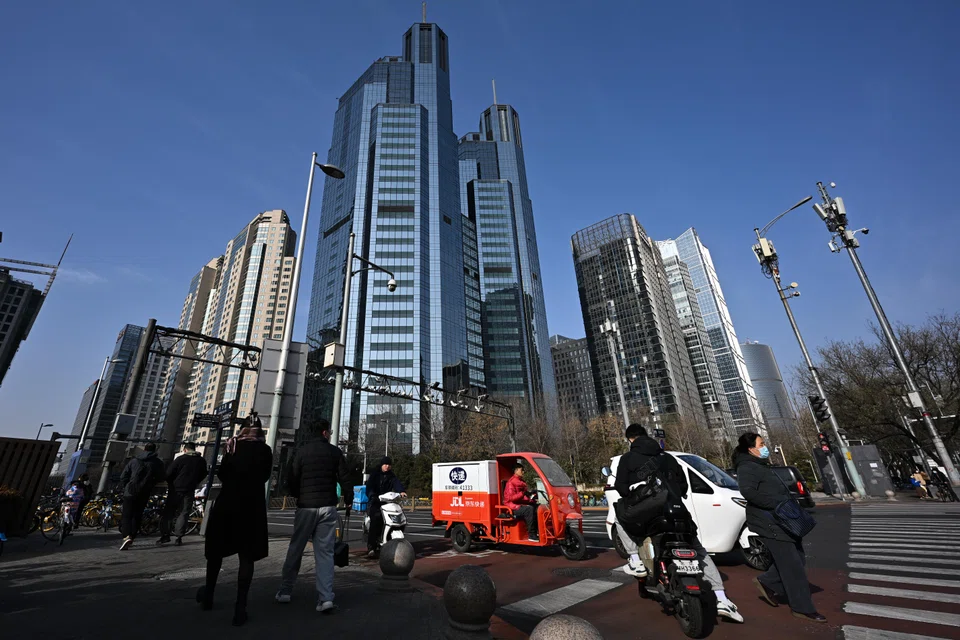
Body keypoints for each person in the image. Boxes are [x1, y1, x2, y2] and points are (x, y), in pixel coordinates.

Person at [615, 424, 743, 623]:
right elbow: (683, 486)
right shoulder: (668, 458)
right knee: (699, 551)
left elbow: (621, 488)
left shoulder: (628, 459)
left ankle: (635, 560)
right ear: (646, 436)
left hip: (647, 514)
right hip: (677, 513)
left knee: (618, 515)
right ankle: (722, 598)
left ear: (630, 439)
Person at [734, 432, 826, 623]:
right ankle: (802, 607)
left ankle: (767, 582)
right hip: (769, 521)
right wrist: (777, 503)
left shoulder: (760, 465)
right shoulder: (747, 467)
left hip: (781, 519)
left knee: (798, 558)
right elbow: (748, 492)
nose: (765, 446)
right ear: (751, 449)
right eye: (761, 444)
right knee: (792, 566)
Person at [197, 414, 272, 627]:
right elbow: (265, 476)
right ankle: (240, 607)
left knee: (216, 550)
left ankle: (209, 594)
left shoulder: (232, 445)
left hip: (228, 502)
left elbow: (222, 474)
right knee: (246, 556)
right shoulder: (265, 450)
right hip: (253, 506)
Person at [275, 419, 353, 612]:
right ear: (325, 433)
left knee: (296, 547)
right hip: (327, 506)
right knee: (325, 553)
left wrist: (297, 495)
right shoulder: (335, 452)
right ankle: (326, 598)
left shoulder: (301, 452)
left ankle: (285, 591)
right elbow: (345, 477)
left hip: (306, 507)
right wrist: (349, 498)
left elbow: (292, 477)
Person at [158, 442, 209, 546]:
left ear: (185, 449)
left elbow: (169, 474)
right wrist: (195, 482)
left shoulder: (180, 459)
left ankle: (165, 535)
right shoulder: (201, 460)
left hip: (175, 489)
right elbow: (204, 473)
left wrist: (171, 483)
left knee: (169, 513)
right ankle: (179, 537)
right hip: (189, 490)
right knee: (184, 513)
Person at [118, 442, 165, 550]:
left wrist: (127, 486)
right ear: (154, 450)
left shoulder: (134, 460)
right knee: (137, 515)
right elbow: (161, 477)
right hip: (145, 491)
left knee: (127, 515)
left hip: (130, 491)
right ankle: (132, 536)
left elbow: (123, 476)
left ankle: (126, 536)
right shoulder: (158, 463)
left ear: (144, 449)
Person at [365, 456, 406, 557]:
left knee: (400, 516)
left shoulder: (391, 476)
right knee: (376, 519)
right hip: (375, 502)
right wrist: (372, 495)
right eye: (385, 464)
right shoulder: (375, 475)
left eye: (389, 465)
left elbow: (397, 483)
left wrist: (401, 491)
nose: (387, 466)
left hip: (387, 502)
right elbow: (369, 487)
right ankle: (372, 547)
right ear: (382, 465)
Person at [504, 463, 541, 542]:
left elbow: (522, 497)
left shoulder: (521, 482)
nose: (523, 472)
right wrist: (523, 494)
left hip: (518, 504)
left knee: (538, 507)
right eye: (522, 470)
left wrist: (531, 500)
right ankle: (531, 535)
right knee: (529, 510)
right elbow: (511, 498)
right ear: (516, 471)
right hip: (512, 507)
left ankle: (538, 531)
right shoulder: (511, 483)